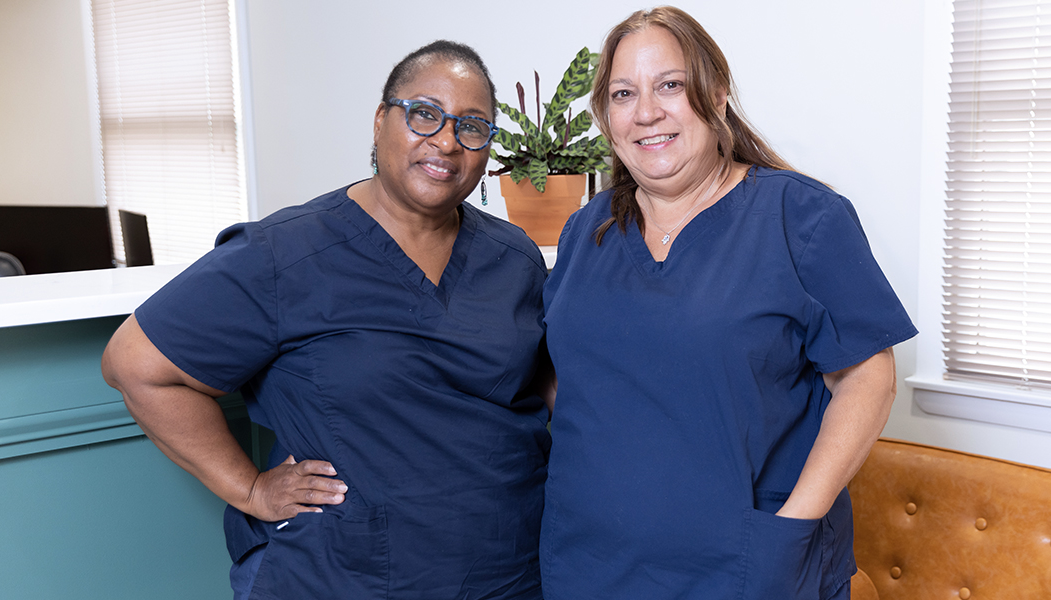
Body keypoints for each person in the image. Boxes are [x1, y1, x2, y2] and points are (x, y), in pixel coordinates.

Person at [102, 40, 550, 600]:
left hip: (506, 571)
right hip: (341, 574)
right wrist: (249, 488)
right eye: (424, 115)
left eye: (473, 127)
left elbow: (538, 385)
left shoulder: (515, 258)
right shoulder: (282, 253)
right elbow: (135, 363)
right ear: (380, 121)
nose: (446, 142)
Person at [539, 7, 917, 600]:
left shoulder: (803, 218)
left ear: (716, 96)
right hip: (590, 564)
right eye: (622, 93)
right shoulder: (586, 232)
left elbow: (869, 378)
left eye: (670, 85)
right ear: (606, 118)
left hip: (744, 565)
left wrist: (794, 525)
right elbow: (565, 381)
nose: (646, 111)